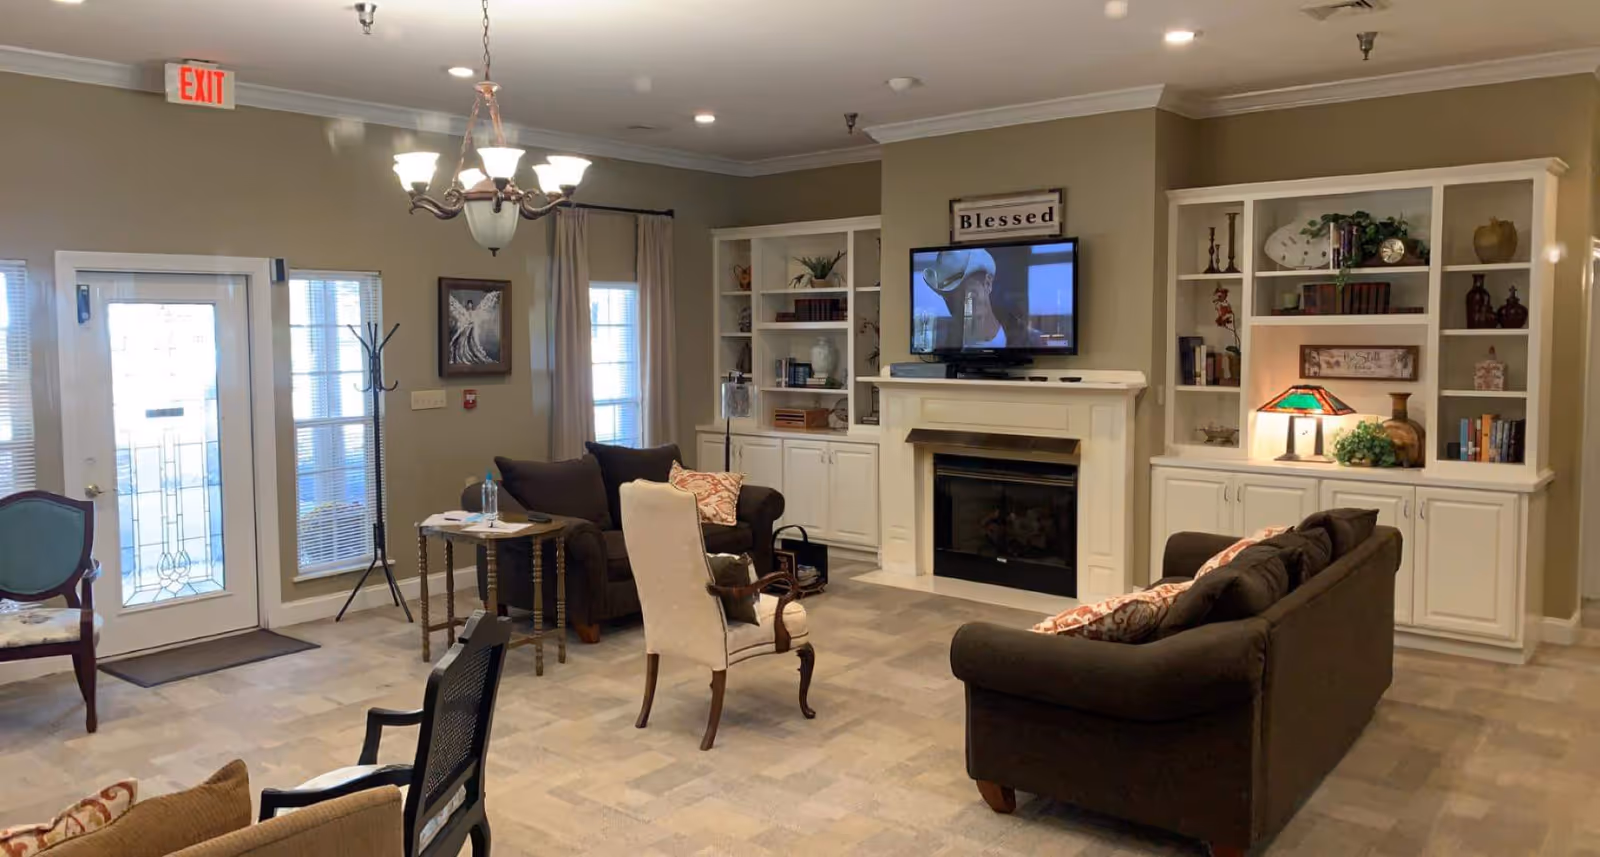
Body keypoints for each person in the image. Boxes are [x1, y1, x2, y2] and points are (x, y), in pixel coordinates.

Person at [914, 249, 1046, 350]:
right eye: (954, 299)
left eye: (972, 294)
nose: (966, 305)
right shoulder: (940, 345)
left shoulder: (1031, 341)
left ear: (988, 284)